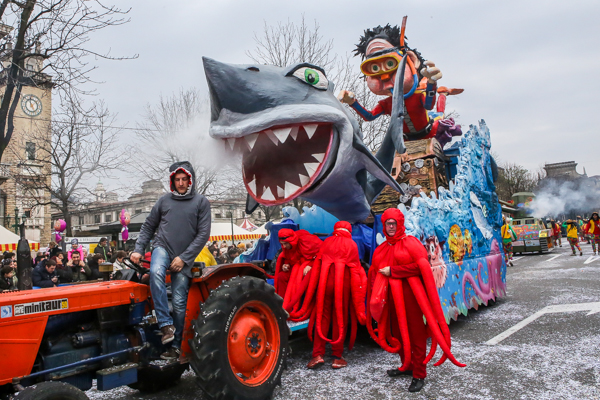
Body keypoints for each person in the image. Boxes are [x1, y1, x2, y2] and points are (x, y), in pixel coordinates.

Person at [369, 208, 464, 392]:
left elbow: (421, 267)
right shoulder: (381, 248)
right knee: (397, 333)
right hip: (391, 300)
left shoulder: (410, 243)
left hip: (411, 299)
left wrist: (394, 271)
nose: (390, 227)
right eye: (387, 223)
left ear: (399, 224)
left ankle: (419, 373)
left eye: (393, 223)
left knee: (416, 335)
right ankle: (407, 365)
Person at [131, 161, 211, 361]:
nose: (181, 183)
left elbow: (203, 234)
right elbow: (149, 226)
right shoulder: (163, 201)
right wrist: (138, 249)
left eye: (184, 179)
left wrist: (184, 259)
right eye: (177, 180)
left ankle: (175, 346)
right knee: (156, 273)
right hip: (163, 247)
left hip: (185, 256)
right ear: (172, 181)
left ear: (190, 180)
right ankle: (165, 324)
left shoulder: (201, 202)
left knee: (179, 302)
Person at [307, 221, 367, 370]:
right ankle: (337, 357)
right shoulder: (351, 244)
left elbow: (318, 264)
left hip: (325, 285)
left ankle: (317, 355)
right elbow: (356, 269)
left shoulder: (326, 242)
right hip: (344, 286)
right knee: (340, 318)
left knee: (323, 317)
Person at [274, 229, 322, 301]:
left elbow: (321, 253)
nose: (284, 246)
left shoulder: (308, 241)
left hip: (310, 266)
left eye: (285, 243)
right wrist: (286, 265)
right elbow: (288, 257)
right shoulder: (286, 247)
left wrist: (311, 265)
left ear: (292, 241)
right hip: (296, 268)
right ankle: (281, 302)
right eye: (282, 243)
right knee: (281, 276)